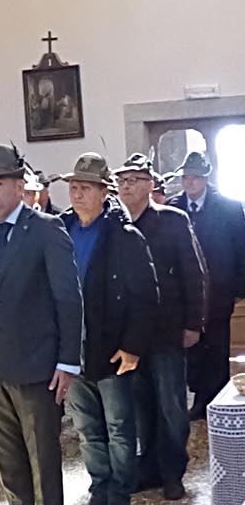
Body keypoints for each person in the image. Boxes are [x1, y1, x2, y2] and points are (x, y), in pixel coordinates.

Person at [0, 145, 81, 505]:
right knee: (9, 467)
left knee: (43, 463)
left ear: (20, 187)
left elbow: (68, 298)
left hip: (37, 369)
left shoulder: (46, 230)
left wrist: (68, 361)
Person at [55, 153, 165, 505]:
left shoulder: (124, 235)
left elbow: (146, 295)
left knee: (119, 426)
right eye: (74, 187)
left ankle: (119, 489)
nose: (77, 194)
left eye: (86, 188)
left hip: (112, 346)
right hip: (72, 348)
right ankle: (99, 485)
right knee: (86, 426)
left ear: (104, 193)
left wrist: (132, 346)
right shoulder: (60, 231)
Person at [117, 152, 204, 499]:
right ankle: (149, 468)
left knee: (171, 406)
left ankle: (172, 472)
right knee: (141, 407)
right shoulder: (116, 223)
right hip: (130, 336)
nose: (126, 186)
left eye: (133, 180)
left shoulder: (172, 220)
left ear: (150, 184)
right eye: (121, 181)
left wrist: (194, 323)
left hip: (167, 330)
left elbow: (194, 273)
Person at [177, 152, 245, 417]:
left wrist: (239, 288)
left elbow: (241, 249)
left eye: (195, 177)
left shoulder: (229, 208)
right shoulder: (175, 207)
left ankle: (216, 397)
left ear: (205, 179)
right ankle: (198, 398)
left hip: (219, 289)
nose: (190, 182)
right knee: (192, 347)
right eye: (186, 177)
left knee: (216, 345)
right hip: (185, 293)